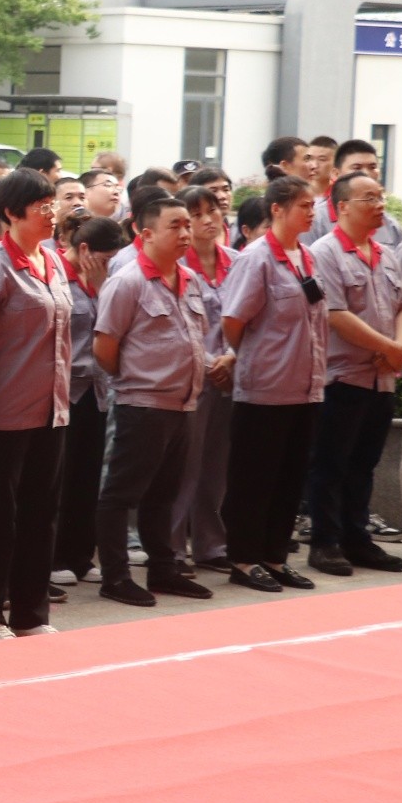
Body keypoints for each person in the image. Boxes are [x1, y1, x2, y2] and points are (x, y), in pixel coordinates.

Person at [0, 169, 74, 641]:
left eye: (52, 204)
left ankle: (31, 613)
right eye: (41, 207)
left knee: (39, 515)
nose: (51, 213)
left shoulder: (52, 260)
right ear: (10, 213)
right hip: (1, 411)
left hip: (51, 408)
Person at [91, 193, 210, 607]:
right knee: (120, 494)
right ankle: (115, 577)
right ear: (146, 234)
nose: (185, 232)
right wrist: (137, 380)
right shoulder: (128, 282)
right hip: (142, 404)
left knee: (165, 493)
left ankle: (163, 569)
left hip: (183, 404)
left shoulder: (189, 279)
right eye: (175, 226)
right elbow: (105, 348)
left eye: (187, 225)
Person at [219, 175, 328, 593]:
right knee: (254, 479)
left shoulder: (307, 256)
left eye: (312, 205)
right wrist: (257, 357)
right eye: (303, 205)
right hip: (265, 389)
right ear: (277, 209)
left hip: (305, 387)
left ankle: (274, 557)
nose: (311, 212)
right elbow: (233, 321)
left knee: (289, 477)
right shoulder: (257, 258)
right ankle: (244, 559)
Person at [303, 170, 402, 576]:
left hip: (382, 377)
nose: (380, 205)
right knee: (331, 463)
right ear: (342, 206)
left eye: (380, 197)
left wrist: (398, 349)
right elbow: (334, 314)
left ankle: (357, 538)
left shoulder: (385, 253)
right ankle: (325, 542)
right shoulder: (325, 252)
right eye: (370, 198)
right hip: (342, 376)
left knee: (365, 463)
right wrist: (389, 348)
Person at [51, 214, 126, 584]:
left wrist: (102, 285)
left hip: (96, 390)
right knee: (60, 478)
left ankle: (81, 555)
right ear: (84, 249)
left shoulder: (102, 282)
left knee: (87, 475)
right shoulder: (56, 275)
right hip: (63, 389)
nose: (110, 265)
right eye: (106, 258)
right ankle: (55, 557)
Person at [173, 186, 236, 575]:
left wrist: (232, 356)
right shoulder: (178, 266)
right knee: (185, 467)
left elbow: (249, 314)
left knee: (217, 466)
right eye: (196, 215)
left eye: (212, 211)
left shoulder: (238, 261)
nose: (208, 220)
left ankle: (211, 544)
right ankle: (172, 550)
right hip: (193, 375)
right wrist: (213, 362)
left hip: (231, 373)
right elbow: (179, 324)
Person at [309, 139, 402, 247]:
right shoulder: (314, 220)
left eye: (372, 167)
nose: (366, 173)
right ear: (336, 173)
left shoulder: (389, 225)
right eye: (357, 168)